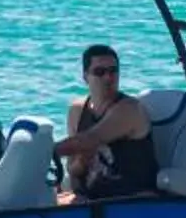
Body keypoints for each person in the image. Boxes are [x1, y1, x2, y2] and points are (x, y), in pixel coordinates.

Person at [54, 43, 157, 202]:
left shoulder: (129, 109)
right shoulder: (77, 110)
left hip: (130, 200)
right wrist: (82, 161)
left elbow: (88, 140)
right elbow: (73, 170)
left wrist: (43, 152)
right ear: (85, 77)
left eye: (113, 71)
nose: (108, 78)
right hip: (90, 200)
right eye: (100, 72)